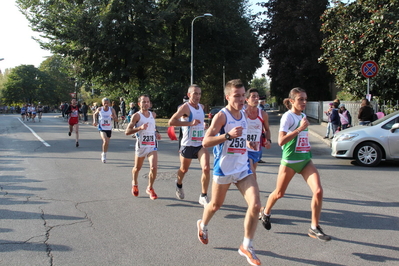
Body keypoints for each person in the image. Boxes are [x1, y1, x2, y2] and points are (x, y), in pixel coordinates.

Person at [196, 79, 262, 266]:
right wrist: (227, 136)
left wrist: (249, 144)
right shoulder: (222, 116)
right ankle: (203, 224)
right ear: (227, 97)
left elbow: (240, 139)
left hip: (242, 169)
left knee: (256, 205)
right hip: (224, 169)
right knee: (215, 205)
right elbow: (205, 142)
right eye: (237, 96)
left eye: (243, 96)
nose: (242, 99)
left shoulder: (243, 114)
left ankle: (246, 246)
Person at [259, 87, 331, 242]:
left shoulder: (304, 115)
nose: (304, 102)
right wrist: (299, 129)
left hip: (305, 160)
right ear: (292, 101)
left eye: (305, 99)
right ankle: (265, 212)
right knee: (279, 193)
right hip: (290, 161)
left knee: (318, 191)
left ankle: (314, 227)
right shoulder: (288, 117)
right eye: (300, 99)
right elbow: (281, 141)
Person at [168, 84, 211, 206]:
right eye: (195, 93)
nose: (197, 96)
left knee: (206, 168)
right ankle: (179, 184)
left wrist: (203, 126)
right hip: (187, 144)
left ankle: (203, 195)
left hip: (200, 144)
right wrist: (190, 123)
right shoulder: (184, 108)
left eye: (199, 93)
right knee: (184, 169)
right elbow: (171, 122)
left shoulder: (201, 107)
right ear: (189, 95)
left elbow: (200, 122)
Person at [125, 94, 161, 200]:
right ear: (139, 103)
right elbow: (127, 131)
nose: (146, 104)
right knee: (137, 168)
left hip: (152, 145)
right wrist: (139, 128)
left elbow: (153, 126)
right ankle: (134, 183)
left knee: (154, 167)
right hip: (141, 146)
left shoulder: (153, 114)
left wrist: (157, 133)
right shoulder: (136, 116)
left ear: (150, 103)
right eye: (143, 102)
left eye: (147, 102)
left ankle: (150, 188)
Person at [244, 88, 271, 179]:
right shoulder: (242, 114)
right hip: (244, 149)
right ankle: (254, 192)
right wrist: (247, 141)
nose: (256, 99)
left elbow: (267, 130)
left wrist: (268, 140)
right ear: (247, 99)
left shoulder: (263, 114)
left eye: (257, 97)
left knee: (252, 172)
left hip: (256, 149)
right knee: (252, 174)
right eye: (253, 97)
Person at [93, 98, 117, 163]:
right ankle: (104, 155)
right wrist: (94, 121)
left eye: (107, 103)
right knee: (105, 140)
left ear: (109, 103)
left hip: (109, 128)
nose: (106, 104)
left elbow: (116, 120)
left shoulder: (112, 110)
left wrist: (113, 117)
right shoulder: (100, 109)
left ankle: (104, 153)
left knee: (106, 143)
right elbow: (94, 114)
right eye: (104, 103)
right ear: (102, 103)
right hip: (102, 128)